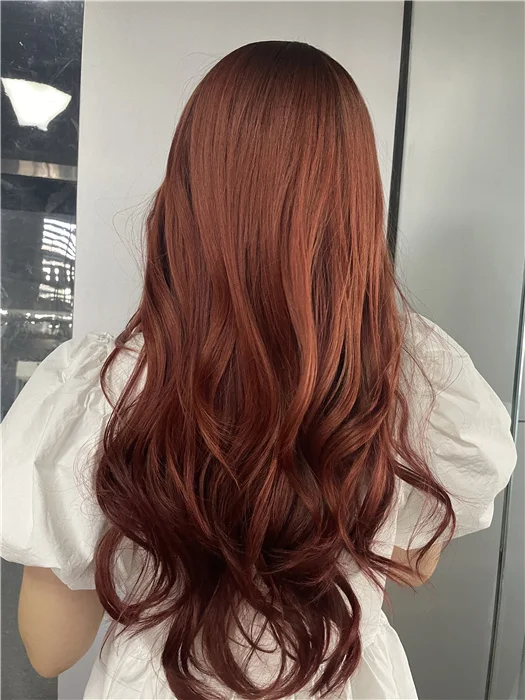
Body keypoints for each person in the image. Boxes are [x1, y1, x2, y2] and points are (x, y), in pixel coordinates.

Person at [1, 41, 517, 700]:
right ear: (355, 203)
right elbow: (413, 562)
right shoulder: (410, 378)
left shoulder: (105, 388)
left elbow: (49, 648)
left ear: (189, 194)